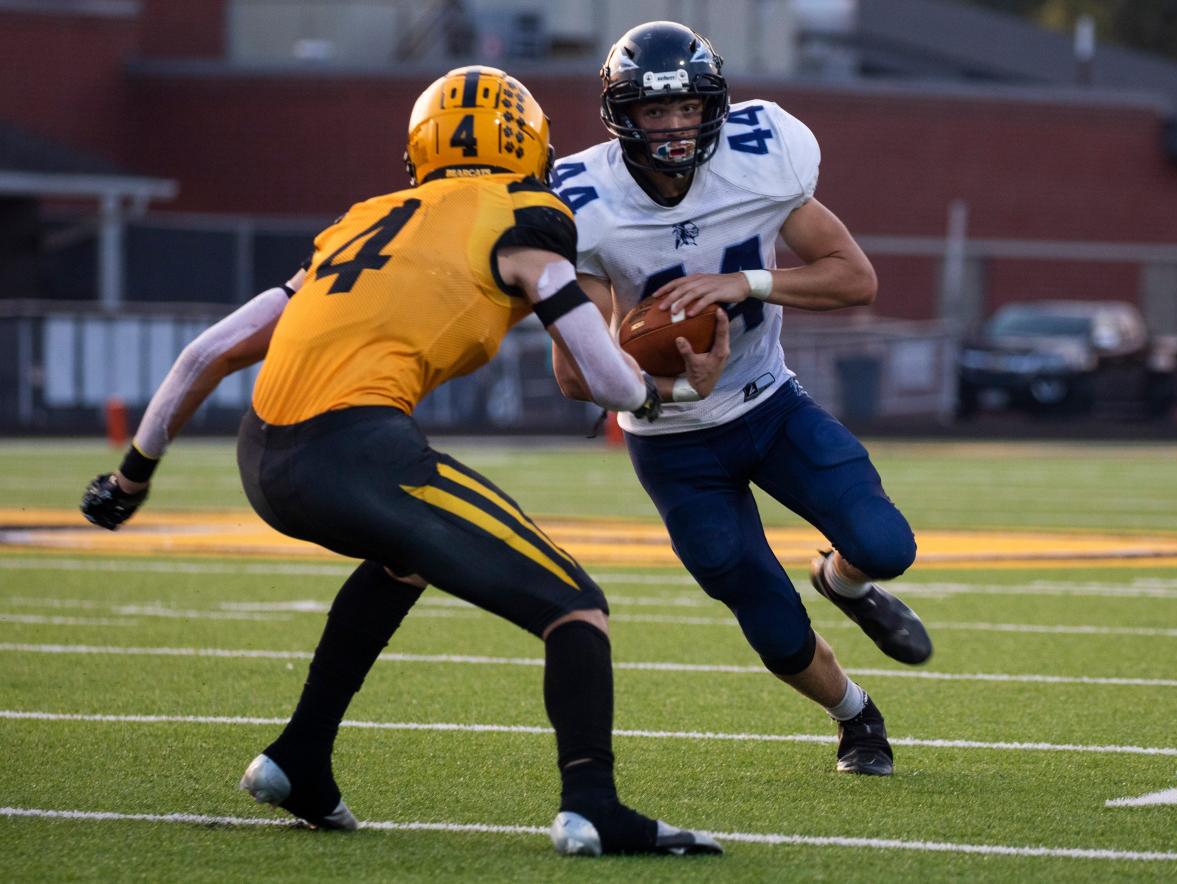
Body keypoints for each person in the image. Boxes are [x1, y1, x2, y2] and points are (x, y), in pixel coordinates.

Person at [80, 65, 721, 857]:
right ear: (530, 148)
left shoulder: (362, 220)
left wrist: (130, 478)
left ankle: (298, 757)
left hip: (265, 455)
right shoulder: (528, 213)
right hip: (354, 451)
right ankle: (593, 804)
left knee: (402, 559)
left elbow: (205, 353)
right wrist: (665, 392)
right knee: (575, 606)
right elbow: (606, 379)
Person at [551, 22, 932, 777]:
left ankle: (841, 581)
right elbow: (575, 374)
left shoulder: (760, 160)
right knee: (763, 613)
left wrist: (746, 281)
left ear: (712, 107)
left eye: (687, 108)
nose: (672, 127)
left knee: (887, 548)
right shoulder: (583, 203)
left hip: (767, 403)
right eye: (654, 112)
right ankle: (856, 717)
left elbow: (853, 278)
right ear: (621, 114)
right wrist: (664, 389)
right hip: (672, 442)